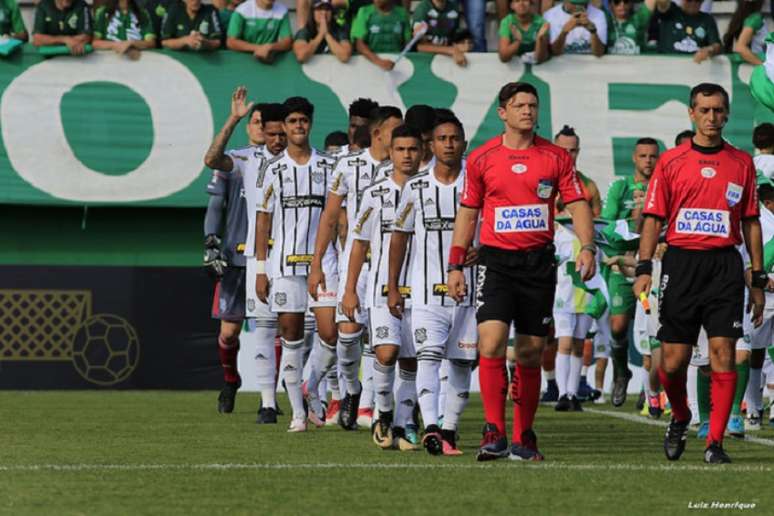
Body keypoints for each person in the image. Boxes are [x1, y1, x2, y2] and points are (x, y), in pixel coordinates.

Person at [447, 82, 596, 462]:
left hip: (537, 264)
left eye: (532, 105)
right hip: (495, 262)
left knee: (530, 353)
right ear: (503, 112)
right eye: (519, 105)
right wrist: (456, 263)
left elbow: (578, 203)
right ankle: (493, 430)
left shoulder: (556, 157)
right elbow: (468, 213)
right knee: (491, 342)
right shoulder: (482, 158)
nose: (527, 111)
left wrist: (588, 246)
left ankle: (523, 436)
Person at [633, 83, 765, 464]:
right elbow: (654, 218)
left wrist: (756, 279)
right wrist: (644, 267)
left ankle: (715, 442)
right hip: (681, 264)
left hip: (724, 266)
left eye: (718, 110)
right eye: (704, 110)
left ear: (726, 114)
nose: (712, 117)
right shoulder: (672, 161)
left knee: (723, 354)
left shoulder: (741, 163)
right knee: (672, 362)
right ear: (692, 114)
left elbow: (751, 223)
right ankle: (681, 414)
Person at [307, 106, 404, 430]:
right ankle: (351, 390)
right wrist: (317, 263)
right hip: (356, 263)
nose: (402, 138)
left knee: (383, 341)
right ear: (378, 134)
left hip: (391, 265)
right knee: (347, 336)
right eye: (395, 131)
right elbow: (330, 217)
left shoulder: (405, 168)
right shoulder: (347, 165)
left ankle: (374, 407)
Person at [391, 110, 476, 456]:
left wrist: (481, 250)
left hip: (470, 292)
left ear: (464, 143)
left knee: (460, 362)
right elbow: (399, 237)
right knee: (428, 357)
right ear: (431, 144)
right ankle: (433, 429)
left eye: (454, 138)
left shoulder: (477, 181)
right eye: (442, 139)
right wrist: (393, 285)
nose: (449, 144)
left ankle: (451, 429)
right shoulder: (415, 186)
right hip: (425, 291)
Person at [254, 96, 338, 432]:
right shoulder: (273, 169)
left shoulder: (328, 167)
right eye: (292, 121)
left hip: (325, 263)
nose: (298, 126)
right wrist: (261, 269)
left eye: (303, 120)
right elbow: (263, 220)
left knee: (331, 335)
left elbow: (338, 217)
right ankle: (298, 415)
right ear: (285, 127)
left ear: (310, 124)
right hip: (285, 265)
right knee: (291, 338)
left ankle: (310, 385)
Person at [342, 124, 423, 451]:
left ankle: (404, 425)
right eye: (400, 149)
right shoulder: (374, 193)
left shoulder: (429, 189)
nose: (407, 155)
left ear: (421, 152)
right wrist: (349, 289)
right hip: (379, 289)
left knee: (412, 360)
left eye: (412, 149)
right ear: (390, 152)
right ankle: (383, 414)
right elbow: (358, 243)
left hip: (421, 290)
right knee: (386, 352)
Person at [201, 86, 266, 414]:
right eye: (255, 121)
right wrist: (211, 242)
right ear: (247, 126)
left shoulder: (281, 165)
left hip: (269, 260)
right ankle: (230, 380)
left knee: (276, 331)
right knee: (228, 334)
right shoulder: (236, 161)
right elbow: (216, 204)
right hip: (236, 259)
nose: (259, 126)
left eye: (264, 122)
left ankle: (270, 399)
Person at [600, 137, 660, 406]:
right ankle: (621, 372)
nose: (648, 161)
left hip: (654, 265)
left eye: (653, 156)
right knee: (618, 325)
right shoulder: (620, 186)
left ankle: (651, 390)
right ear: (634, 159)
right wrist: (634, 223)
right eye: (643, 156)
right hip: (623, 265)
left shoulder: (664, 186)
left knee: (654, 325)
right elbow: (607, 225)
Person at [243, 102, 289, 424]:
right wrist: (234, 119)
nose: (276, 139)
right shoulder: (245, 159)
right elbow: (211, 160)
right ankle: (267, 403)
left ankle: (306, 398)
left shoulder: (307, 162)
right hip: (257, 256)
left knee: (302, 331)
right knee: (264, 327)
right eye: (270, 133)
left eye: (281, 133)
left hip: (294, 256)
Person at [554, 126, 602, 217]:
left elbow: (598, 223)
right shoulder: (541, 181)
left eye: (572, 151)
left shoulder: (590, 186)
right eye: (563, 151)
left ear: (578, 151)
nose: (567, 155)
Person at [350, 0, 411, 71]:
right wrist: (379, 62)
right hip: (370, 64)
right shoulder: (364, 12)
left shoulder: (402, 14)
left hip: (396, 66)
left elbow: (408, 42)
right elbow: (359, 44)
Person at [652, 0, 720, 63]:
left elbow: (716, 45)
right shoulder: (671, 11)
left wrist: (709, 50)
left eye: (698, 0)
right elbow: (662, 3)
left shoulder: (707, 20)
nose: (693, 3)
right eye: (689, 0)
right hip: (667, 67)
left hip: (695, 69)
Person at [227, 0, 293, 63]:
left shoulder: (282, 10)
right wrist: (259, 48)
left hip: (269, 60)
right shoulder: (242, 10)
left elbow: (287, 41)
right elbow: (231, 42)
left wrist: (270, 47)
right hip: (243, 59)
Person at [412, 0, 468, 66]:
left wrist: (462, 45)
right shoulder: (422, 9)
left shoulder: (453, 8)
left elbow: (454, 38)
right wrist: (451, 50)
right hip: (425, 61)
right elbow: (419, 47)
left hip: (446, 59)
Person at [497, 0, 550, 64]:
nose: (521, 3)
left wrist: (539, 39)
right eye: (517, 1)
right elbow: (503, 57)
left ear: (531, 4)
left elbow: (540, 59)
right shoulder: (507, 22)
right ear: (512, 5)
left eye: (525, 0)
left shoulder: (541, 22)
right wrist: (518, 41)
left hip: (536, 67)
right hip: (515, 66)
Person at [722, 0, 766, 66]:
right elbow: (740, 47)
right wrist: (763, 67)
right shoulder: (756, 18)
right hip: (755, 67)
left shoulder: (739, 17)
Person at [404, 104, 436, 172]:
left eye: (429, 141)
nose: (424, 147)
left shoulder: (456, 167)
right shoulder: (387, 171)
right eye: (419, 141)